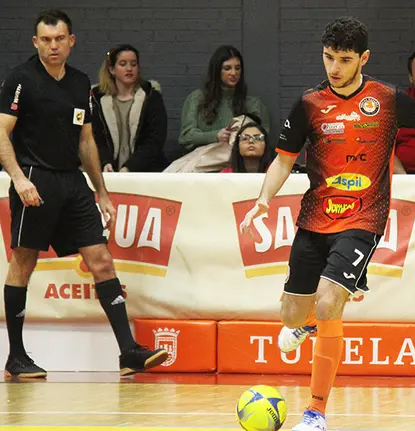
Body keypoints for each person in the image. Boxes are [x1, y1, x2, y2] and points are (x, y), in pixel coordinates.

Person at [238, 16, 415, 431]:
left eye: (344, 60)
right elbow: (282, 160)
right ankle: (306, 323)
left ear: (363, 58)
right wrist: (262, 200)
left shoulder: (387, 98)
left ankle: (315, 412)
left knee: (330, 302)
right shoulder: (310, 104)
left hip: (364, 216)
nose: (334, 68)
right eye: (329, 57)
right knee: (292, 317)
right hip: (315, 218)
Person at [0, 9, 167, 379]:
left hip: (73, 184)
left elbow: (87, 141)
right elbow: (1, 132)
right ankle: (16, 357)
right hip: (34, 179)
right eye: (45, 39)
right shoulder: (21, 78)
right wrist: (17, 178)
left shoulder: (79, 84)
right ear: (35, 42)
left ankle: (128, 353)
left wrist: (102, 192)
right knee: (23, 264)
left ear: (71, 41)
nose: (53, 46)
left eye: (59, 39)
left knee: (102, 261)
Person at [178, 45, 270, 155]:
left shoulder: (252, 103)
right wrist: (215, 136)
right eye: (227, 68)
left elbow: (263, 137)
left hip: (238, 166)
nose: (233, 73)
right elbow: (186, 137)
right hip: (203, 164)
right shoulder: (197, 98)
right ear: (217, 70)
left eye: (237, 68)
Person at [91, 44, 169, 172]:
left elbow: (155, 140)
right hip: (107, 171)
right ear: (112, 70)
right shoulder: (96, 100)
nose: (129, 69)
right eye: (123, 64)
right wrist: (105, 162)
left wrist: (130, 167)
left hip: (145, 171)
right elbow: (95, 137)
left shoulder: (151, 97)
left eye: (133, 64)